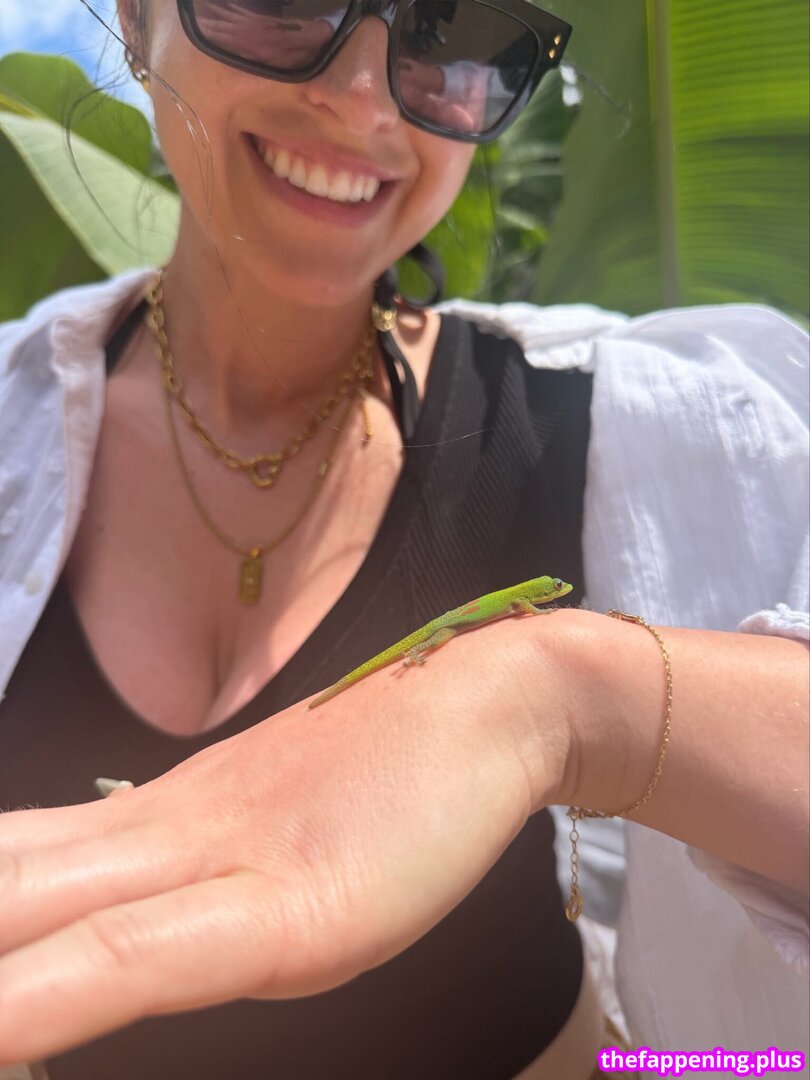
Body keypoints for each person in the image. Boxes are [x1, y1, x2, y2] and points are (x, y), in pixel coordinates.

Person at [0, 0, 807, 1077]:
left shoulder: (631, 414)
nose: (363, 102)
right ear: (138, 20)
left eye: (452, 28)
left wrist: (565, 696)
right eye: (289, 1)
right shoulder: (17, 425)